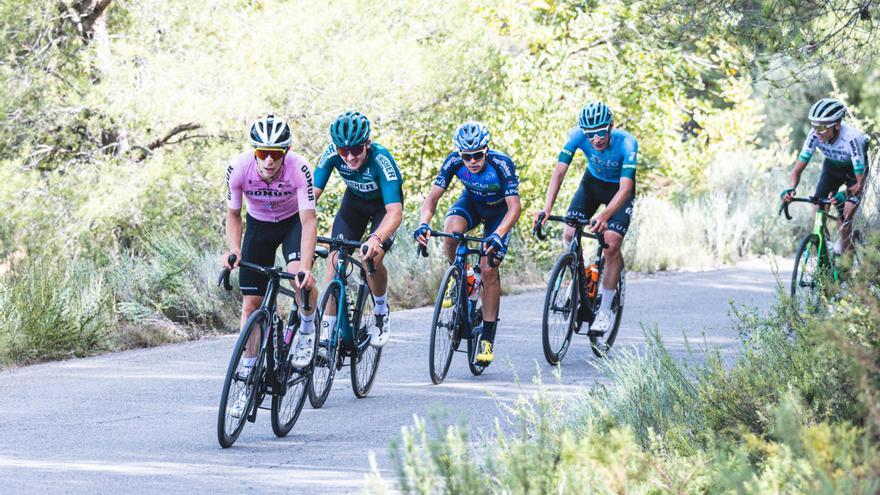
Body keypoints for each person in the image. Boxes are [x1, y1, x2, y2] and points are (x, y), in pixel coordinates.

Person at [222, 114, 319, 418]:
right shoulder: (238, 168)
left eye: (274, 154)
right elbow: (234, 215)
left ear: (285, 153)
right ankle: (249, 378)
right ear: (254, 153)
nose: (267, 160)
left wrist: (305, 265)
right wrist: (234, 250)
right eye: (261, 153)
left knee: (296, 277)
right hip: (259, 228)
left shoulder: (300, 169)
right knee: (250, 306)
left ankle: (306, 327)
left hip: (292, 225)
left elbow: (308, 220)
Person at [414, 121, 522, 364]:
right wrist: (423, 223)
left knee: (489, 268)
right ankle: (464, 275)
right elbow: (432, 199)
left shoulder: (501, 164)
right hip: (472, 203)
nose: (472, 161)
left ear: (486, 150)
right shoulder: (453, 162)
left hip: (499, 214)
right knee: (451, 233)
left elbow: (515, 207)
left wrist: (498, 234)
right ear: (460, 154)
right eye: (466, 156)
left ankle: (487, 337)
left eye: (477, 155)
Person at [533, 101, 637, 335]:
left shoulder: (627, 143)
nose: (596, 139)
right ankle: (576, 280)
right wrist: (547, 208)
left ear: (611, 126)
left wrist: (605, 215)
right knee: (570, 232)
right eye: (590, 134)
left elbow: (626, 188)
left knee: (611, 242)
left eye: (601, 132)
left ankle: (604, 309)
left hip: (619, 191)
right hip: (592, 185)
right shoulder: (576, 136)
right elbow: (559, 172)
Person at [313, 111, 403, 348]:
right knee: (334, 263)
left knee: (370, 259)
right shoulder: (332, 153)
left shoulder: (382, 161)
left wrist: (376, 238)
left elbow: (395, 212)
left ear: (367, 144)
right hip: (354, 206)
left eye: (356, 150)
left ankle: (381, 311)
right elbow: (311, 196)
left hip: (384, 208)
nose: (350, 157)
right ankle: (326, 333)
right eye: (344, 151)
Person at [781, 97, 870, 252]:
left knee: (844, 226)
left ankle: (844, 271)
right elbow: (796, 171)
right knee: (817, 213)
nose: (816, 131)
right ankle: (826, 254)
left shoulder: (852, 139)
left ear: (836, 125)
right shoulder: (815, 134)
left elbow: (860, 184)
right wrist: (790, 189)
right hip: (832, 169)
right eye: (813, 126)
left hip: (854, 175)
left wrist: (845, 194)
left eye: (821, 127)